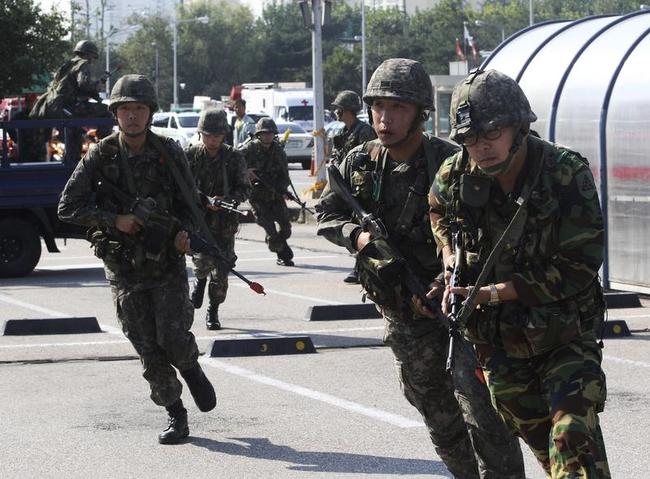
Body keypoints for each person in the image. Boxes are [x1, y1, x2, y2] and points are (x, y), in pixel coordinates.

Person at [316, 58, 524, 478]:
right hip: (404, 316)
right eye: (378, 107)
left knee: (484, 415)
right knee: (437, 414)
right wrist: (358, 237)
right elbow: (327, 214)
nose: (385, 118)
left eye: (398, 109)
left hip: (461, 306)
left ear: (419, 113)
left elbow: (486, 235)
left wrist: (445, 280)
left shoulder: (449, 163)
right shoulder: (358, 163)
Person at [428, 69, 610, 478]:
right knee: (550, 450)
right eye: (471, 137)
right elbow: (437, 209)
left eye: (492, 131)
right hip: (499, 343)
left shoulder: (564, 172)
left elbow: (581, 263)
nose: (482, 146)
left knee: (570, 436)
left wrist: (493, 292)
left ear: (519, 127)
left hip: (565, 333)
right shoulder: (454, 176)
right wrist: (448, 257)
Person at [57, 74, 216, 445]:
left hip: (166, 264)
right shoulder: (100, 155)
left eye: (139, 109)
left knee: (173, 338)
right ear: (115, 113)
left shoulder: (169, 152)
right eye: (126, 109)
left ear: (150, 113)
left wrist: (186, 238)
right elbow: (68, 207)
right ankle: (176, 414)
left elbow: (190, 206)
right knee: (148, 348)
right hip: (125, 271)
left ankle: (191, 368)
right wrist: (115, 220)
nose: (133, 116)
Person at [186, 108, 251, 330]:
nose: (212, 140)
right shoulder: (190, 156)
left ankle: (213, 311)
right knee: (202, 261)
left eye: (216, 136)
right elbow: (183, 186)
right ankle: (200, 281)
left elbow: (244, 188)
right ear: (200, 134)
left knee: (222, 271)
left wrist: (229, 200)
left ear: (224, 135)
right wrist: (201, 200)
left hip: (225, 223)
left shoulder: (234, 158)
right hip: (199, 221)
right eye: (207, 135)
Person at [30, 40, 112, 161]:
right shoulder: (83, 64)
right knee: (107, 111)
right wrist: (97, 85)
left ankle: (70, 163)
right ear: (88, 54)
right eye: (93, 57)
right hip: (65, 107)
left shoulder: (68, 64)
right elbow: (84, 84)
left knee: (73, 135)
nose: (93, 61)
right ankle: (105, 146)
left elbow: (73, 88)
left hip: (55, 107)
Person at [330, 89, 377, 284]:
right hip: (346, 185)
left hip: (362, 186)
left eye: (339, 109)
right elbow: (337, 158)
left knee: (362, 226)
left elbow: (370, 158)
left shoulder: (364, 131)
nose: (336, 113)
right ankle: (362, 266)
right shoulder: (343, 133)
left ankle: (361, 268)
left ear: (348, 110)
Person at [240, 117, 295, 266]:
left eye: (270, 133)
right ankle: (282, 253)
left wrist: (284, 190)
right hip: (256, 196)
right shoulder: (249, 149)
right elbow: (233, 160)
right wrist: (246, 172)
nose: (267, 136)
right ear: (258, 134)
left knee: (286, 227)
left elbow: (284, 175)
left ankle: (280, 244)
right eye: (264, 133)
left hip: (275, 195)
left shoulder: (278, 151)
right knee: (269, 226)